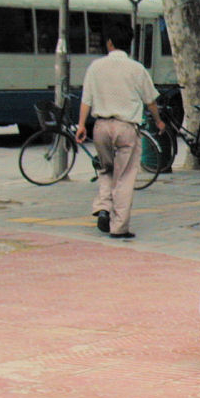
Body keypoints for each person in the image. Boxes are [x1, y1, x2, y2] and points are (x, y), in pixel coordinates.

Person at [76, 22, 166, 239]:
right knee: (125, 176)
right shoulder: (137, 69)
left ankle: (104, 206)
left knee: (105, 168)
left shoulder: (95, 67)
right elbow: (150, 101)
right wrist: (159, 121)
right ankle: (119, 227)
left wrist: (81, 125)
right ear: (130, 44)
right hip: (126, 127)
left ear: (109, 43)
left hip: (101, 127)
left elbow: (86, 99)